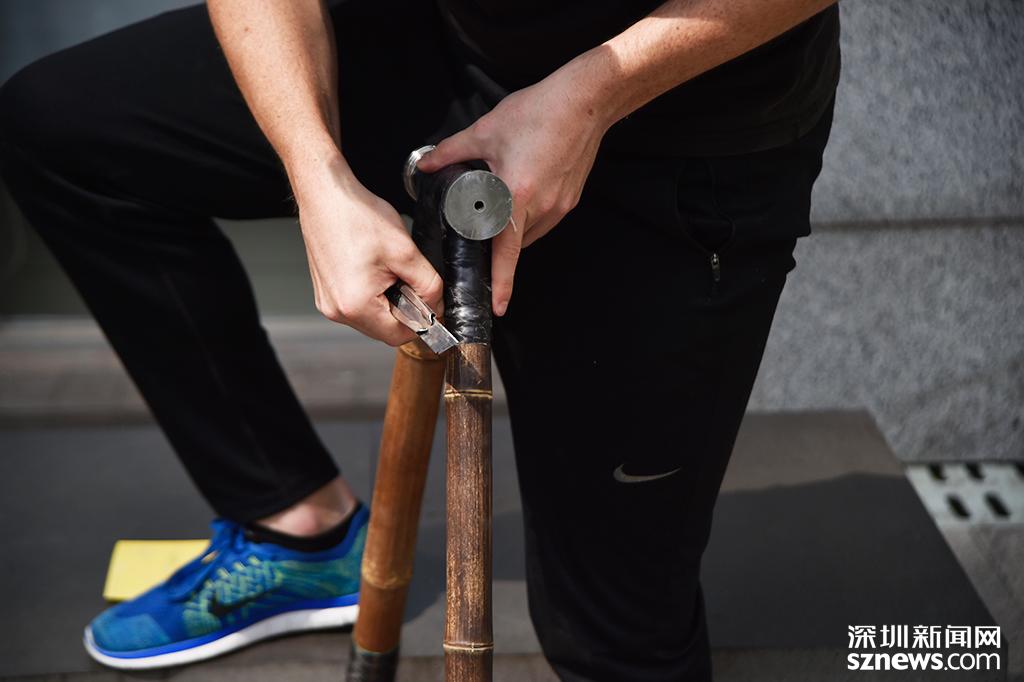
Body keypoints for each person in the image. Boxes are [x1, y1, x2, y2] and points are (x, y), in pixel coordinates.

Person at [0, 0, 840, 678]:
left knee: (612, 641)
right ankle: (302, 532)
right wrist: (316, 173)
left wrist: (589, 100)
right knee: (68, 130)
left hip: (677, 111)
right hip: (439, 40)